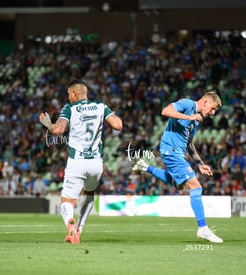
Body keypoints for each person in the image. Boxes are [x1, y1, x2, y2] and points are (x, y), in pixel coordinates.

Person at [132, 90, 224, 243]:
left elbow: (189, 143)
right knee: (196, 186)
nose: (213, 113)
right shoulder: (187, 104)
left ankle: (145, 167)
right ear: (205, 102)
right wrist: (189, 117)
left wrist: (200, 164)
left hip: (178, 153)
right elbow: (165, 111)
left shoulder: (197, 120)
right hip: (170, 150)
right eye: (213, 108)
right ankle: (203, 229)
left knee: (178, 185)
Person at [39, 79, 123, 244]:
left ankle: (71, 226)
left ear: (76, 94)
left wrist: (47, 123)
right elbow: (118, 125)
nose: (68, 97)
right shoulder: (101, 106)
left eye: (69, 94)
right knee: (89, 193)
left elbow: (58, 130)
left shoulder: (70, 108)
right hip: (96, 163)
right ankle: (79, 230)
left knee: (67, 201)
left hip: (77, 161)